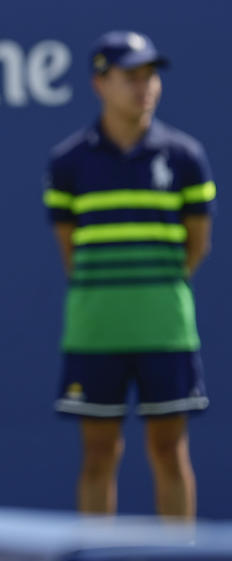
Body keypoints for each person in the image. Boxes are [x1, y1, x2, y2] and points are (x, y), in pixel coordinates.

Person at [45, 31, 215, 518]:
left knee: (169, 451)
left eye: (150, 76)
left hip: (167, 332)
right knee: (98, 455)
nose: (145, 87)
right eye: (131, 76)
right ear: (100, 83)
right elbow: (71, 250)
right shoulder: (68, 164)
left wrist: (154, 291)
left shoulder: (185, 157)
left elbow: (196, 245)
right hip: (96, 332)